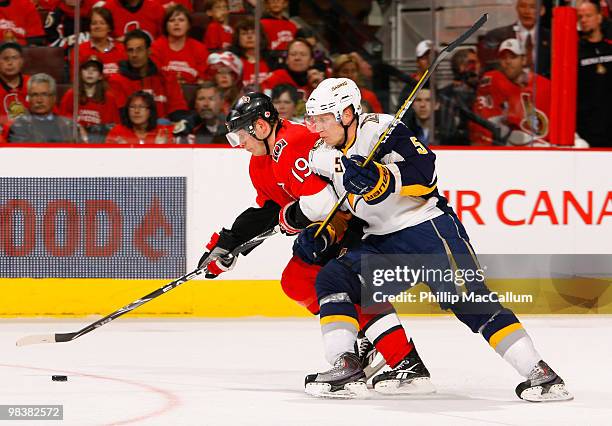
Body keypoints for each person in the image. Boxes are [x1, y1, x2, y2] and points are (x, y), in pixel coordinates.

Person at [298, 77, 572, 402]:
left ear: (346, 114)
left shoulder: (381, 130)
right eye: (313, 119)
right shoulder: (321, 155)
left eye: (324, 118)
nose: (317, 127)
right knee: (334, 277)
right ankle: (347, 367)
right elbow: (342, 210)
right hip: (382, 243)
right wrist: (323, 232)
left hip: (426, 230)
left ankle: (541, 374)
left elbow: (425, 172)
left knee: (471, 301)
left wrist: (382, 178)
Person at [201, 92, 432, 397]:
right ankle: (366, 347)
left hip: (355, 224)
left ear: (260, 126)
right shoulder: (259, 164)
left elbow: (322, 204)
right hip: (325, 231)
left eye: (241, 135)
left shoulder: (295, 142)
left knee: (338, 283)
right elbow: (269, 211)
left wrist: (292, 217)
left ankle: (399, 358)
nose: (239, 143)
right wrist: (229, 243)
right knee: (296, 282)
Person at [471, 38, 551, 146]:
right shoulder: (491, 81)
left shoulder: (543, 86)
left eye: (513, 57)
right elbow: (483, 122)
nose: (508, 62)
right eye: (503, 58)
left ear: (523, 60)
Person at [108, 29, 189, 122]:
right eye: (130, 50)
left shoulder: (166, 77)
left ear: (149, 51)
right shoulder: (117, 81)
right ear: (126, 53)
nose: (134, 55)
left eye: (139, 49)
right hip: (132, 132)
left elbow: (178, 111)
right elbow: (122, 116)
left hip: (164, 131)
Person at [480, 0, 550, 77]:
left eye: (532, 7)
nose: (526, 11)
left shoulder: (552, 38)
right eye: (522, 6)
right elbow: (490, 71)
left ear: (542, 10)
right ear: (517, 8)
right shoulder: (496, 36)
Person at [59, 56, 121, 143]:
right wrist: (78, 126)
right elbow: (62, 121)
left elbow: (114, 127)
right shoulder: (71, 95)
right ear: (81, 73)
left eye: (94, 70)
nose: (90, 72)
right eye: (86, 69)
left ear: (100, 76)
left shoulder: (109, 98)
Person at [576, 0, 612, 148]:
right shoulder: (574, 51)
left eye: (588, 16)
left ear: (599, 17)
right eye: (581, 17)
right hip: (586, 128)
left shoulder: (609, 47)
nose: (583, 20)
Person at [8, 73, 83, 143]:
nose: (39, 100)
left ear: (54, 98)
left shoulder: (69, 126)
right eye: (34, 95)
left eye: (44, 94)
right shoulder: (19, 127)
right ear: (29, 98)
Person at [433, 48, 481, 146]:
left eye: (478, 63)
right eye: (472, 63)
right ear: (461, 67)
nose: (478, 67)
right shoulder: (445, 96)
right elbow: (446, 134)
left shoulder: (481, 92)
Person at [151, 4, 209, 84]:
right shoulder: (156, 47)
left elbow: (202, 79)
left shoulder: (200, 48)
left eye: (181, 20)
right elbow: (154, 77)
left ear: (188, 25)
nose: (176, 23)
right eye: (172, 20)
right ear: (165, 26)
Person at [70, 7, 127, 78]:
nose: (98, 26)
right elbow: (76, 81)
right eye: (94, 23)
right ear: (89, 27)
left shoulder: (122, 49)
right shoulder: (79, 51)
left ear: (109, 28)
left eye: (102, 23)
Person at [105, 90, 174, 144]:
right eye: (132, 107)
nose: (136, 111)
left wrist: (161, 148)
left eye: (141, 107)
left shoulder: (163, 132)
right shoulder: (117, 132)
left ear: (150, 111)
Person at [230, 17, 272, 88]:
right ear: (237, 38)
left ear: (261, 37)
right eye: (244, 33)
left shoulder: (272, 60)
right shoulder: (233, 62)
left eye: (253, 33)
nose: (249, 37)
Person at [0, 42, 29, 129]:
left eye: (14, 58)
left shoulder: (35, 84)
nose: (10, 63)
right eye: (5, 58)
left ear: (21, 61)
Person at [206, 51, 243, 115]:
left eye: (228, 73)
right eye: (220, 72)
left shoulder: (242, 99)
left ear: (234, 77)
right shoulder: (208, 96)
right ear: (214, 76)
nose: (224, 76)